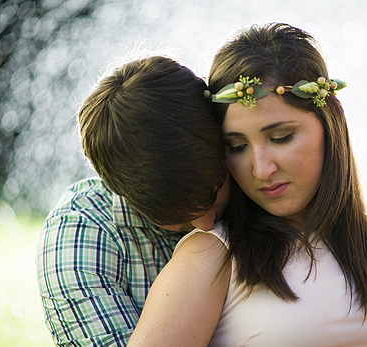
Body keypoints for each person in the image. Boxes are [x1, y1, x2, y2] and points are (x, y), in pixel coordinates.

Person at [127, 23, 367, 346]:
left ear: (330, 124)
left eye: (281, 137)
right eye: (237, 146)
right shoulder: (212, 256)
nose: (261, 169)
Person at [35, 55, 229, 346]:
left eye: (212, 195)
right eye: (178, 217)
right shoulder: (82, 239)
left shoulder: (253, 168)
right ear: (121, 191)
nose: (208, 225)